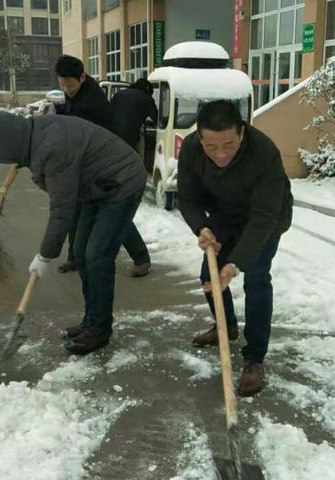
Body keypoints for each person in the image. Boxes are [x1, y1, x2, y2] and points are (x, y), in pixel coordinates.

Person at [0, 111, 146, 355]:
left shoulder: (53, 150)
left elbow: (62, 210)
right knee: (80, 253)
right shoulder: (34, 134)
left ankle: (99, 329)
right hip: (95, 185)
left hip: (121, 182)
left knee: (97, 255)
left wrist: (45, 254)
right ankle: (91, 319)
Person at [177, 100, 293, 397]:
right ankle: (225, 327)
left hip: (265, 219)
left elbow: (264, 218)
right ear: (200, 138)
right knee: (210, 275)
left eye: (229, 144)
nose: (221, 154)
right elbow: (187, 199)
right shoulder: (190, 149)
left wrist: (236, 262)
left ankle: (254, 359)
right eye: (211, 147)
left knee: (255, 277)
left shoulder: (264, 153)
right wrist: (201, 228)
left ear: (242, 132)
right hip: (224, 215)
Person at [55, 54, 151, 278]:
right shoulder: (77, 92)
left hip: (108, 167)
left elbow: (75, 134)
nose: (66, 89)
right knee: (77, 210)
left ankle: (142, 258)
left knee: (112, 214)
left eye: (69, 85)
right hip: (88, 163)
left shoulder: (90, 103)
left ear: (82, 77)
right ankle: (75, 257)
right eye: (62, 85)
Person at [109, 78, 158, 277]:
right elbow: (157, 120)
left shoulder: (118, 95)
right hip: (128, 148)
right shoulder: (145, 99)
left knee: (114, 212)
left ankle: (139, 257)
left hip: (110, 146)